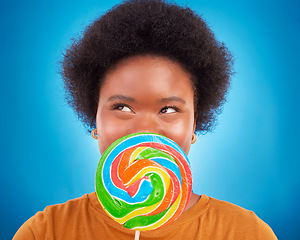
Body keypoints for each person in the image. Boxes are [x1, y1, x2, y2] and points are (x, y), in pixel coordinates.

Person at [13, 0, 277, 239]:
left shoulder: (247, 233)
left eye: (169, 110)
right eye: (122, 107)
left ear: (195, 126)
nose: (145, 130)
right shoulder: (45, 231)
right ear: (94, 120)